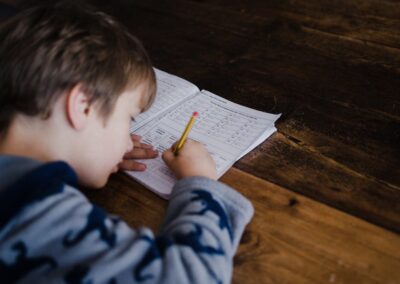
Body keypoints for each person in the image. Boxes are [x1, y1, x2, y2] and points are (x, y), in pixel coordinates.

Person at [0, 2, 254, 283]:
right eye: (130, 118)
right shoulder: (35, 215)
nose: (126, 142)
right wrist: (201, 184)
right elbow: (195, 277)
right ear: (84, 106)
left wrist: (81, 157)